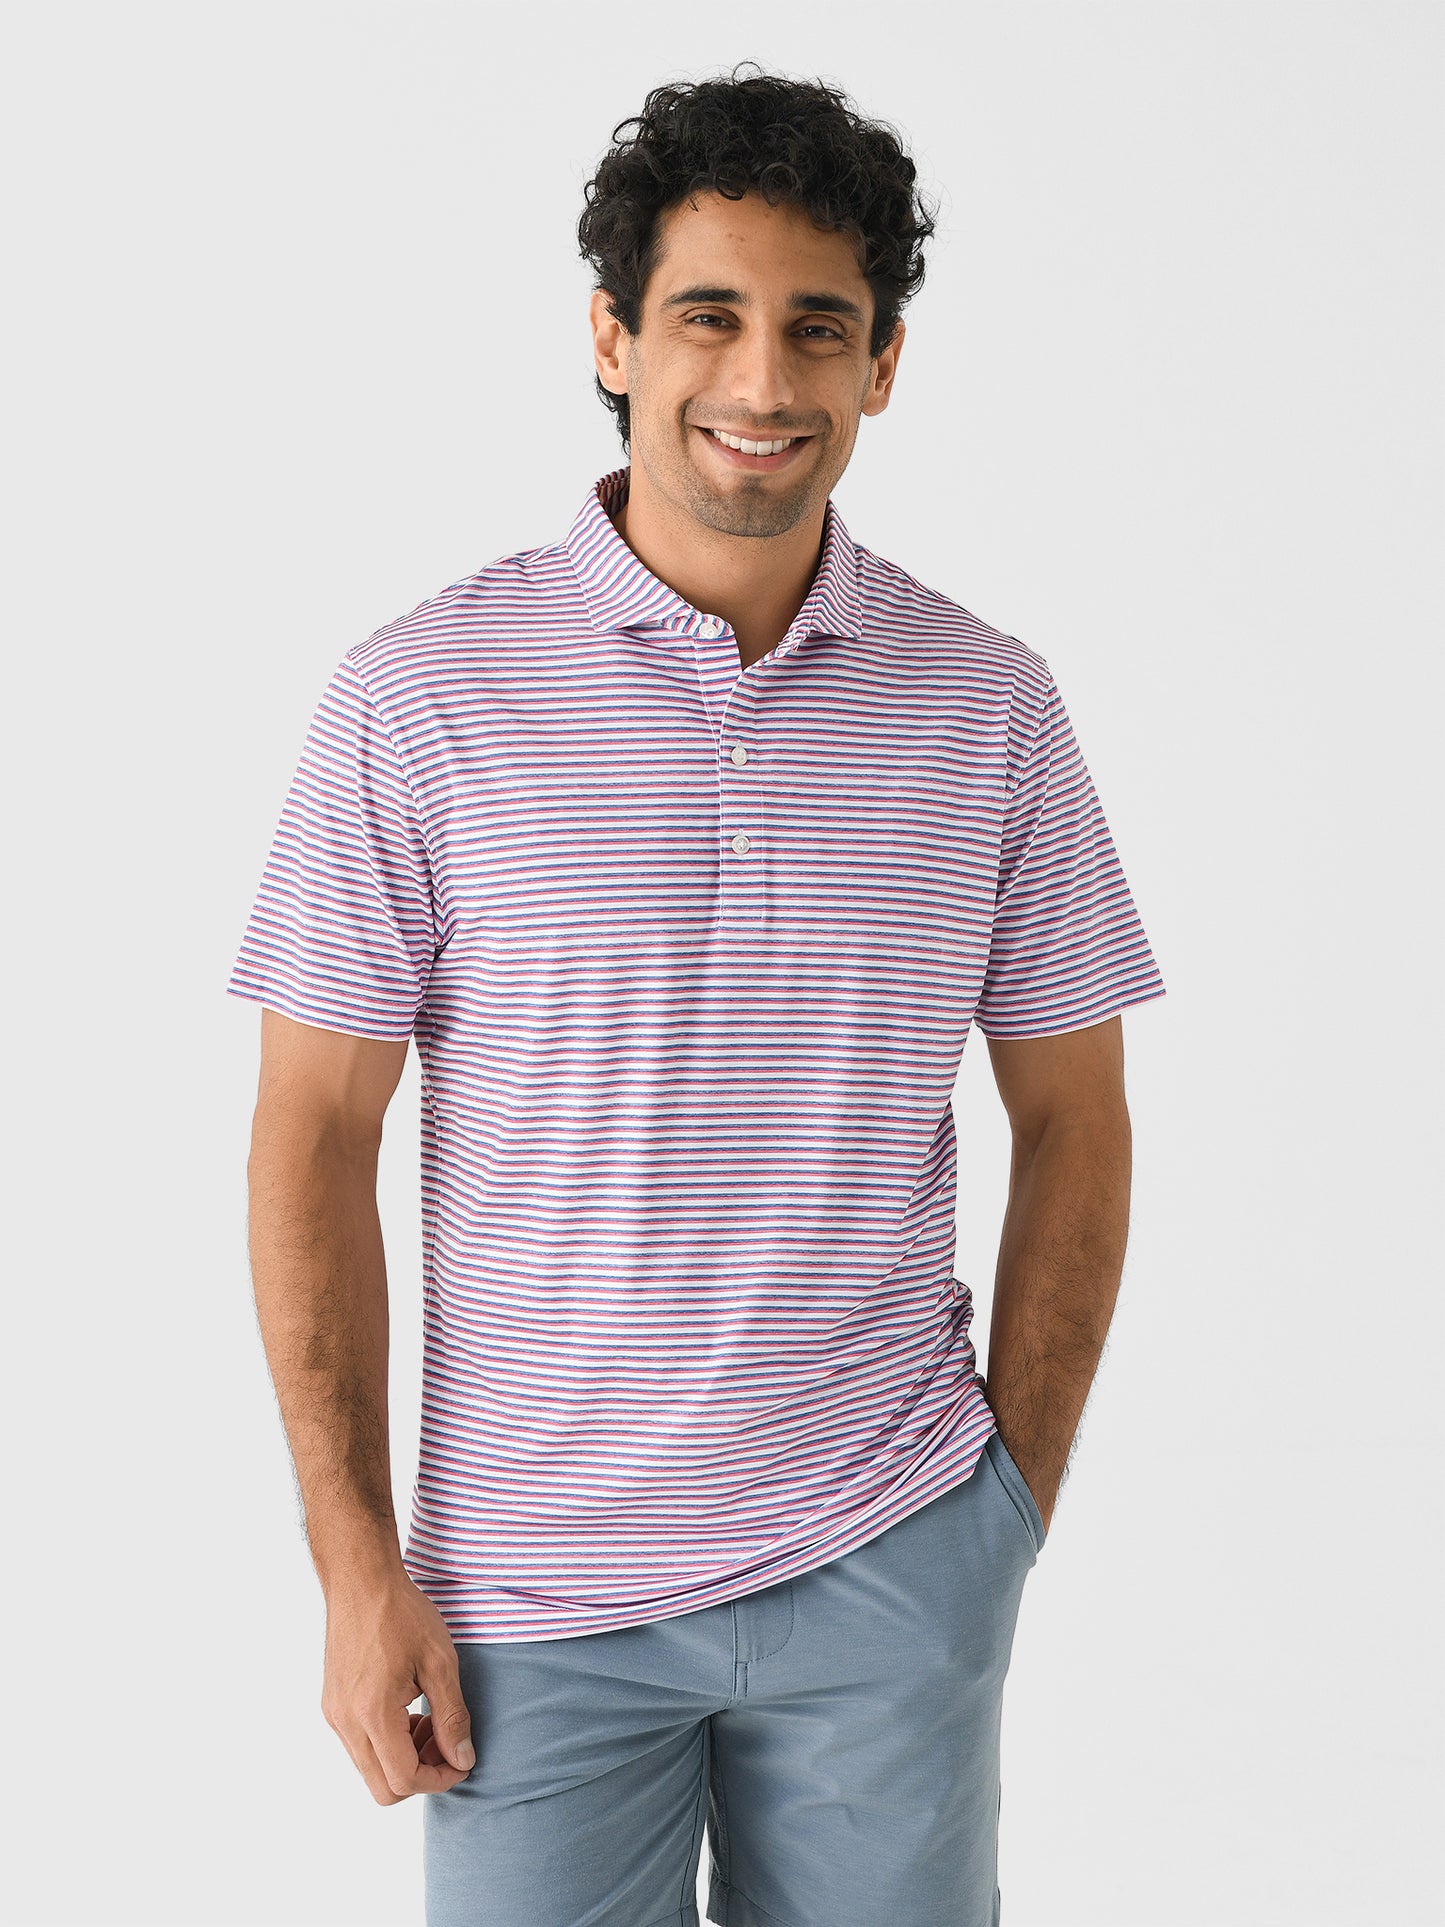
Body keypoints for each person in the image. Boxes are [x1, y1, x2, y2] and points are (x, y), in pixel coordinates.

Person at [227, 62, 1167, 1927]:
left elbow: (1074, 1113)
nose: (761, 381)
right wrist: (352, 1563)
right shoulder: (421, 696)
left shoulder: (985, 704)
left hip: (894, 1552)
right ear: (613, 337)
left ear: (880, 365)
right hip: (528, 1600)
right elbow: (313, 1130)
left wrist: (1004, 1506)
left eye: (818, 327)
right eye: (708, 316)